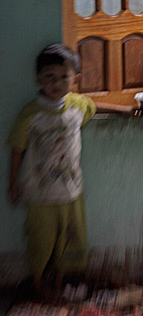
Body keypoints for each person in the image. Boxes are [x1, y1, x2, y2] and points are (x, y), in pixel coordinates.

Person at [7, 43, 96, 295]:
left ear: (75, 79)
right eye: (49, 77)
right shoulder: (31, 113)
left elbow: (97, 107)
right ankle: (38, 284)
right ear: (38, 78)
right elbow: (17, 149)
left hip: (71, 192)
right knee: (41, 241)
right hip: (40, 194)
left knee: (69, 240)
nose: (56, 83)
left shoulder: (78, 106)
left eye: (63, 77)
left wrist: (126, 110)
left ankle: (59, 282)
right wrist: (12, 183)